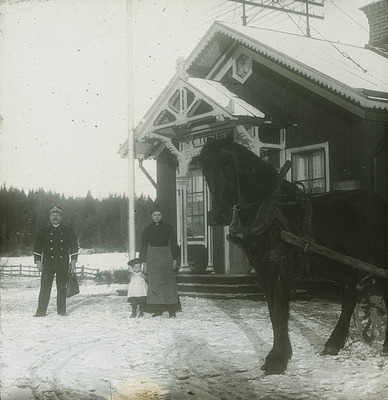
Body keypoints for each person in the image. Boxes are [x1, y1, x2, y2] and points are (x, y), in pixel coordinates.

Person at [33, 206, 78, 317]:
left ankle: (61, 311)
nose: (55, 217)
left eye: (57, 215)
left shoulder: (68, 230)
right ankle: (41, 312)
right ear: (49, 217)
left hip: (62, 264)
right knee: (44, 289)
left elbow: (74, 246)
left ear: (61, 217)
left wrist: (73, 261)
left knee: (62, 289)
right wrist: (38, 262)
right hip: (47, 264)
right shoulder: (44, 230)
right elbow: (37, 247)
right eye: (53, 215)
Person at [139, 206, 181, 318]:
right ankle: (157, 309)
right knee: (155, 283)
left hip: (166, 257)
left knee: (169, 283)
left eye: (159, 215)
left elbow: (173, 243)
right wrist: (144, 262)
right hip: (152, 257)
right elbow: (143, 246)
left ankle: (172, 309)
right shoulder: (147, 230)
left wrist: (174, 259)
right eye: (155, 215)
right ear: (151, 216)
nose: (157, 217)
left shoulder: (168, 228)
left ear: (162, 216)